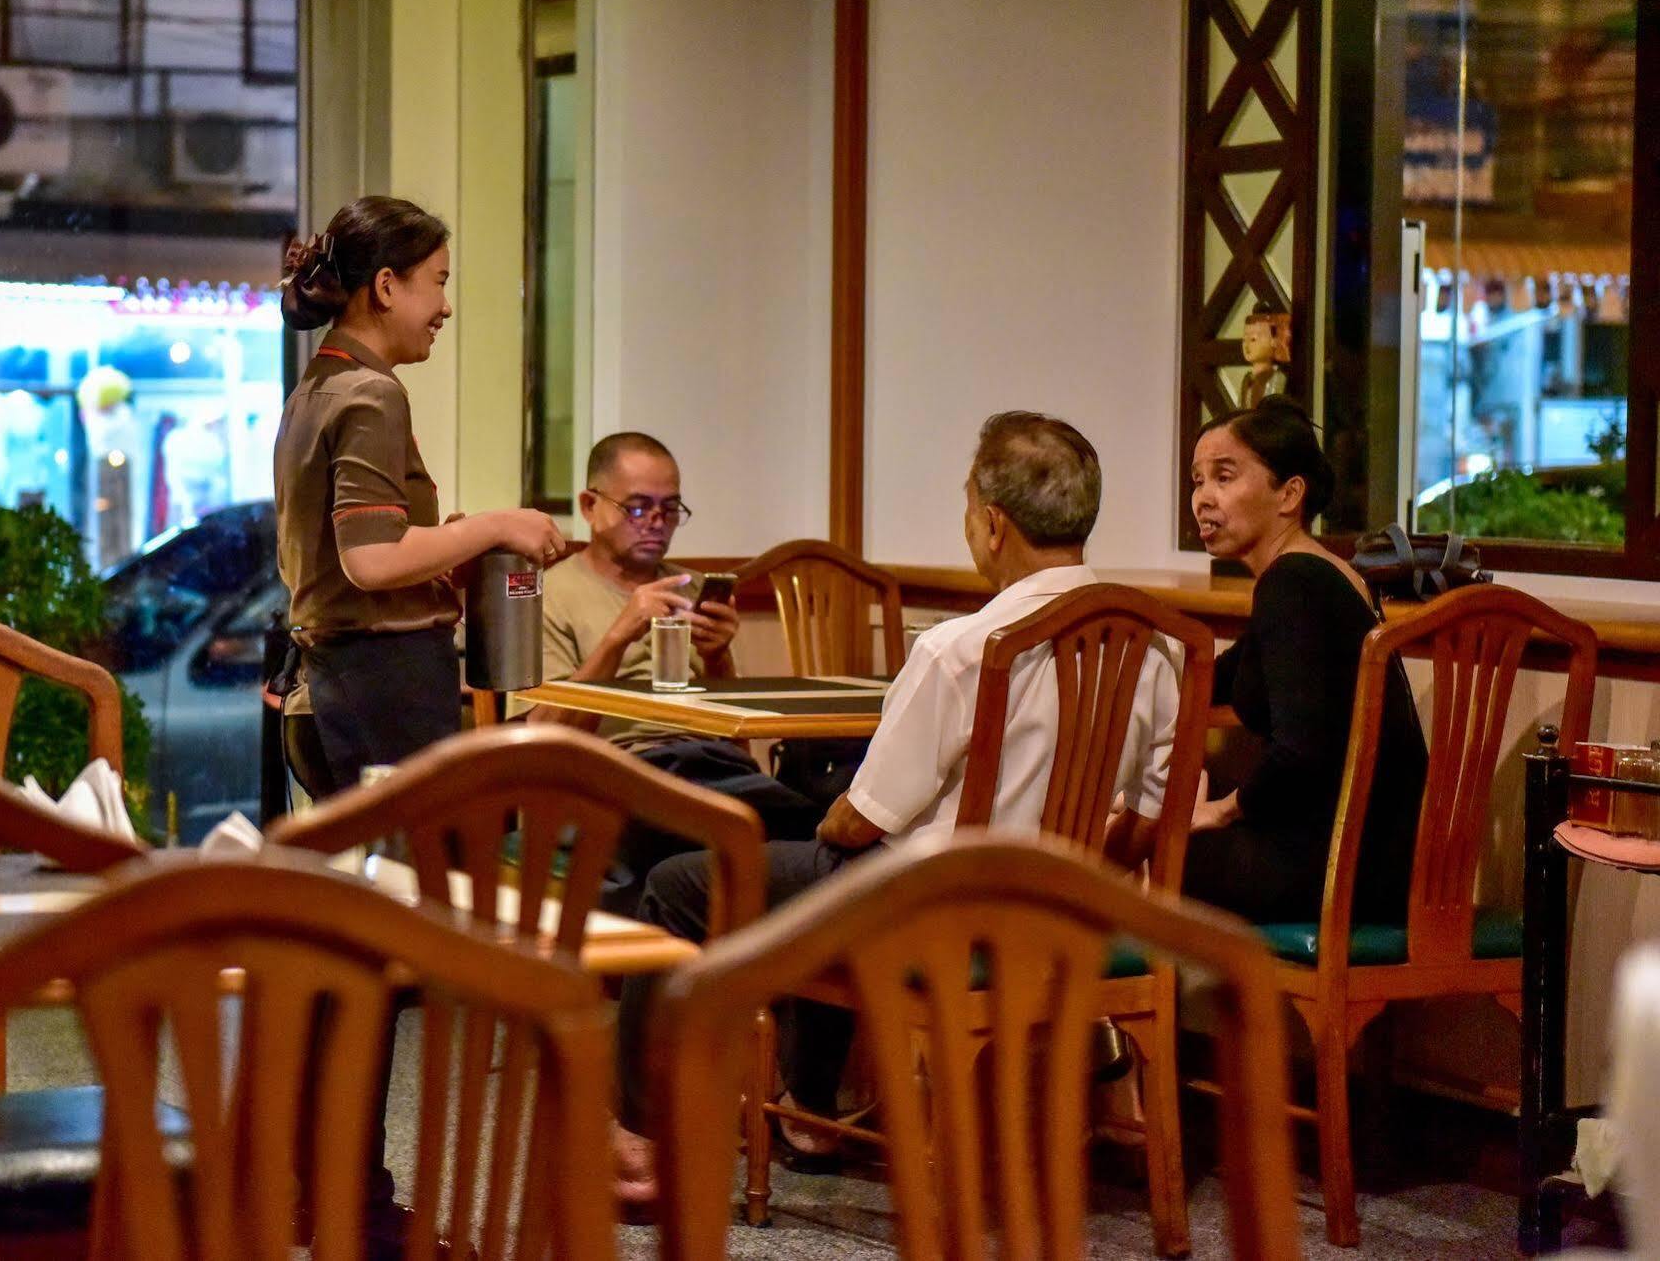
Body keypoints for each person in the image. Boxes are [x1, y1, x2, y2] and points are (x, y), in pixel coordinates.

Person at [610, 411, 1182, 1202]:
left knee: (690, 881)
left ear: (990, 523)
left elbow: (863, 820)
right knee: (811, 870)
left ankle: (641, 1143)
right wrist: (1074, 889)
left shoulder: (961, 647)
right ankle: (807, 1108)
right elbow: (1148, 821)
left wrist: (828, 825)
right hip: (1067, 915)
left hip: (932, 911)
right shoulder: (1156, 648)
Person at [273, 196, 565, 795]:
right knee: (417, 885)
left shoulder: (317, 386)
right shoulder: (371, 392)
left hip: (330, 690)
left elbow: (343, 555)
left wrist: (446, 552)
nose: (445, 307)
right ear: (385, 285)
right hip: (381, 692)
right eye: (437, 283)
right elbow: (372, 559)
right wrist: (497, 526)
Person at [511, 432, 821, 910]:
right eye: (638, 508)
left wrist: (718, 655)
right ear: (590, 506)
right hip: (614, 772)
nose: (656, 524)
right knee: (684, 836)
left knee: (812, 829)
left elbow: (735, 741)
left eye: (669, 509)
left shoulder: (690, 589)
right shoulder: (550, 594)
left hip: (709, 767)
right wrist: (619, 636)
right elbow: (542, 740)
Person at [1180, 396, 1427, 924]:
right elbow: (1215, 679)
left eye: (1224, 477)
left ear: (1290, 493)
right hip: (1371, 859)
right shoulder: (1322, 573)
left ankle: (1124, 1002)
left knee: (1151, 849)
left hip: (1338, 868)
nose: (1203, 499)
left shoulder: (1292, 583)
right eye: (1197, 481)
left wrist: (1218, 811)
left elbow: (1300, 754)